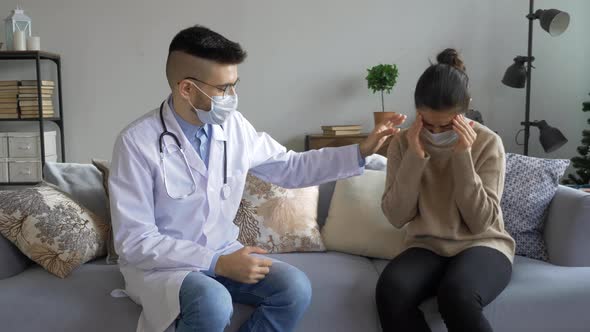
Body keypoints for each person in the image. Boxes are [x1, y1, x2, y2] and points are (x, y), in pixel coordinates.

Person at [108, 25, 406, 332]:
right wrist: (217, 263)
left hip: (223, 250)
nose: (232, 97)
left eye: (235, 85)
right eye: (223, 88)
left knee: (293, 288)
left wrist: (361, 151)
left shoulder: (234, 127)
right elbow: (135, 241)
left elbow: (291, 168)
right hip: (164, 267)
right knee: (213, 301)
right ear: (186, 89)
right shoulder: (136, 142)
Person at [377, 48, 516, 332]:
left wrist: (462, 156)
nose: (437, 133)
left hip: (483, 244)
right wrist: (415, 159)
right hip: (426, 245)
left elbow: (480, 221)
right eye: (428, 124)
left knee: (457, 296)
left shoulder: (488, 143)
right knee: (390, 292)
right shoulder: (403, 143)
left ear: (465, 111)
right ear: (417, 112)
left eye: (447, 125)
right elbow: (396, 216)